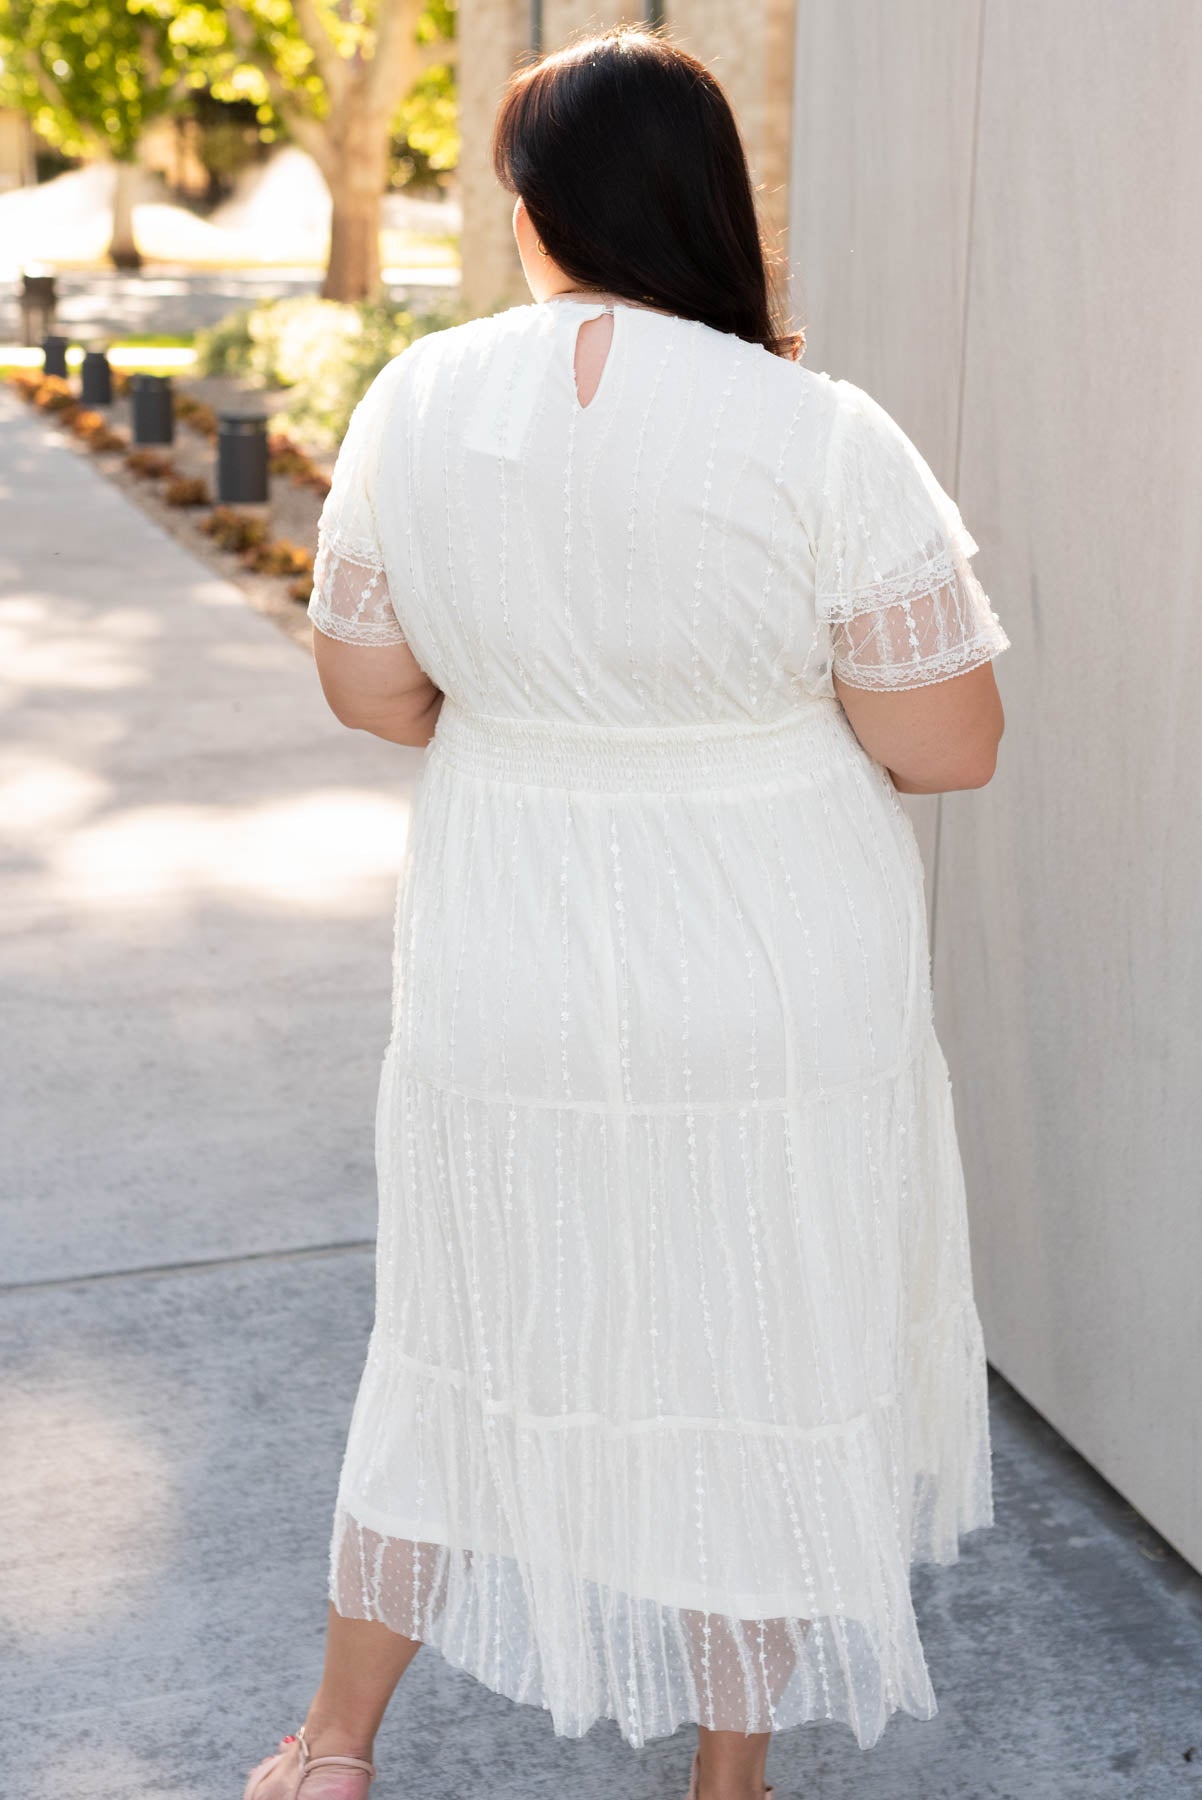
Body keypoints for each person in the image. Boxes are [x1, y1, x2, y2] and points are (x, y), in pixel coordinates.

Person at [243, 24, 1009, 1800]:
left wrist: (528, 708)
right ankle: (721, 1786)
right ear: (708, 210)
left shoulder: (415, 404)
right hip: (768, 957)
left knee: (460, 1332)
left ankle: (331, 1747)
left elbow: (367, 690)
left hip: (507, 939)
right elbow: (946, 740)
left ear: (537, 213)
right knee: (759, 1338)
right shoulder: (818, 432)